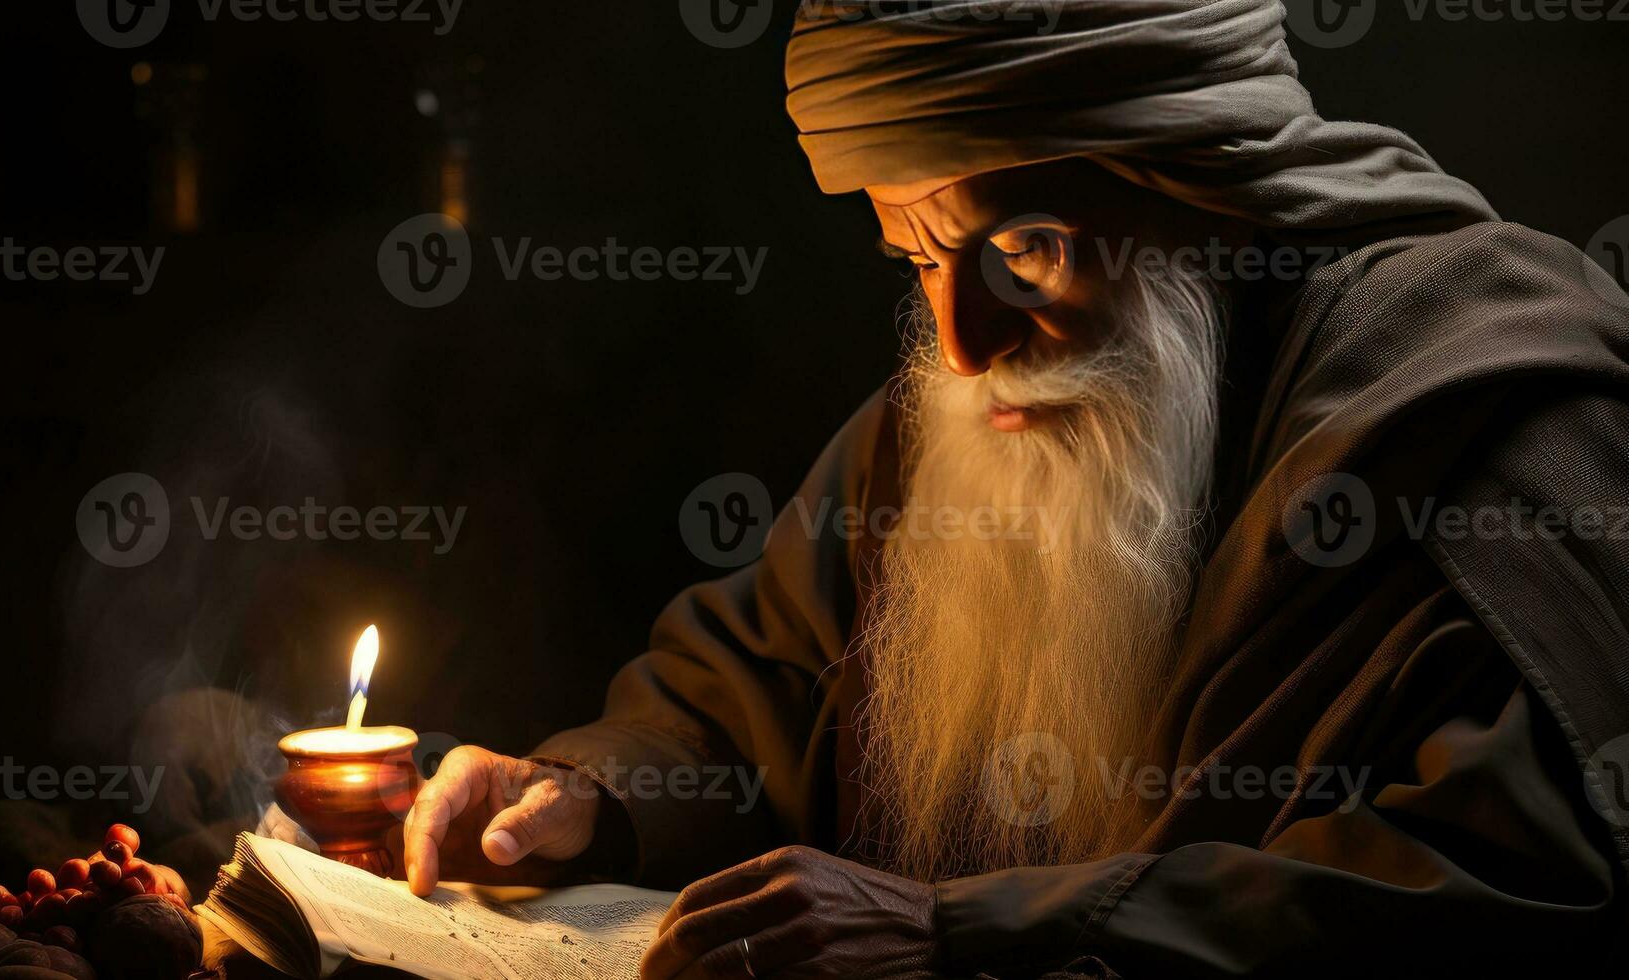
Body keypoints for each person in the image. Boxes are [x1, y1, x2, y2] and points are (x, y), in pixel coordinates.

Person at [402, 2, 1629, 975]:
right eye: (915, 255)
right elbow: (755, 688)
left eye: (1024, 249)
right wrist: (590, 791)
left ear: (1198, 186)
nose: (963, 340)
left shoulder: (1482, 401)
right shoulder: (971, 409)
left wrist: (973, 929)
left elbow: (1521, 874)